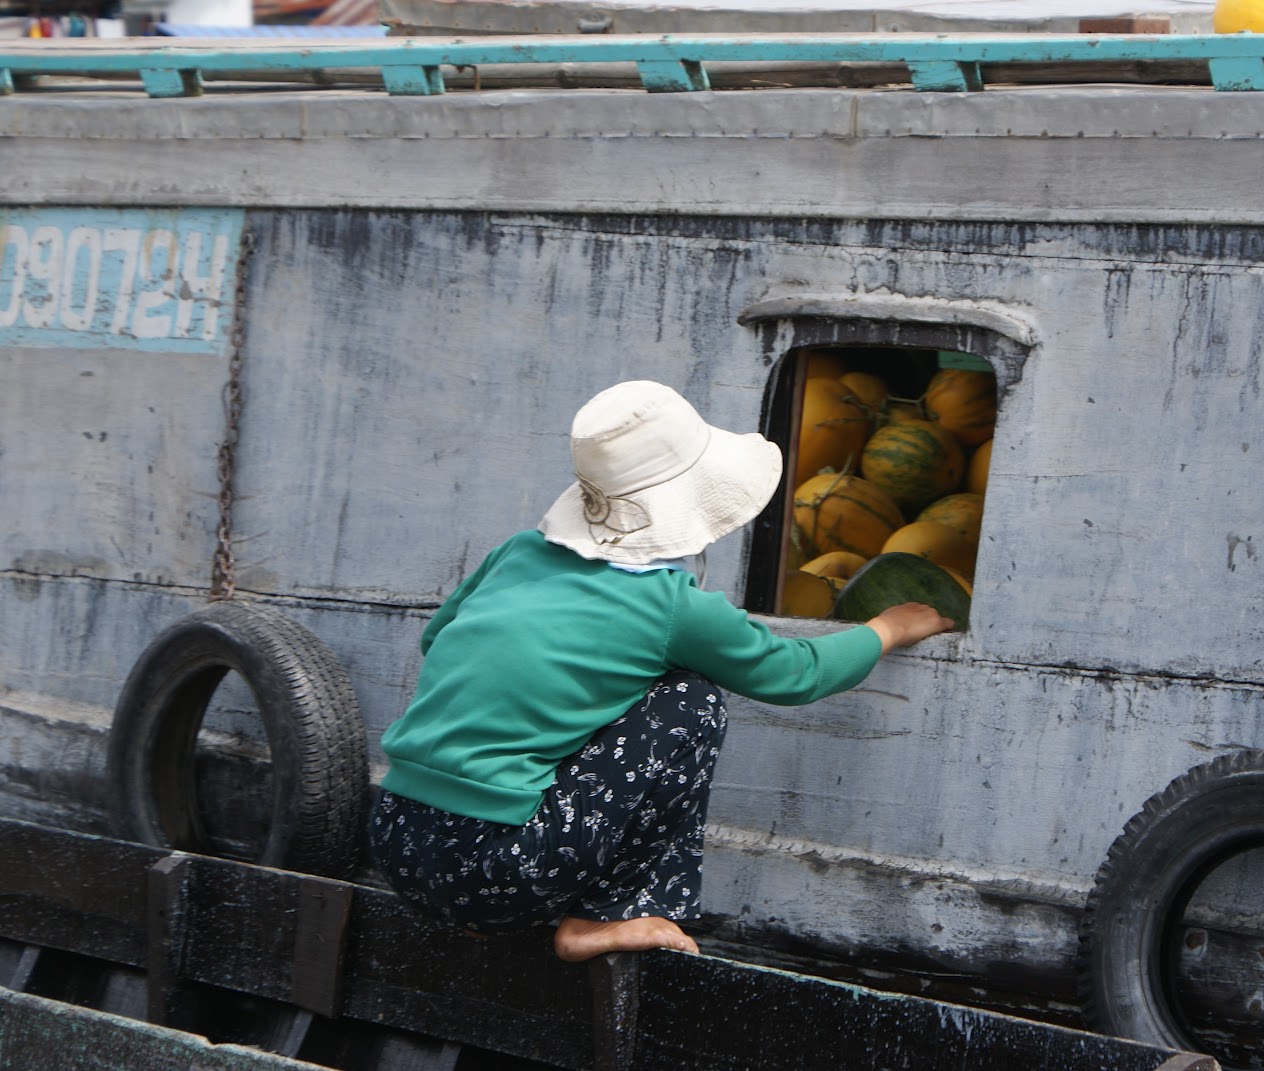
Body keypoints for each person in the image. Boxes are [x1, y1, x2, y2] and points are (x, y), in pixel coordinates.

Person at [368, 380, 952, 963]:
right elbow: (794, 674)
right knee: (688, 700)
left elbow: (437, 639)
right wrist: (887, 628)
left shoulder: (517, 551)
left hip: (395, 839)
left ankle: (477, 911)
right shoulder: (669, 604)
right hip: (502, 870)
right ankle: (603, 916)